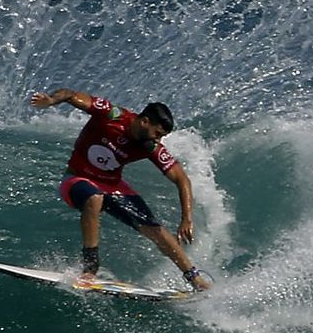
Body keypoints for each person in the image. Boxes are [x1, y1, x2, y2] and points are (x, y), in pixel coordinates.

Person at [30, 88, 211, 291]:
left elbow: (181, 179)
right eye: (157, 133)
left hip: (113, 186)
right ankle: (90, 268)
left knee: (156, 231)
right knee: (95, 197)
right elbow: (71, 95)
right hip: (76, 179)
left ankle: (194, 279)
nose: (158, 141)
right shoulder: (112, 114)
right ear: (144, 121)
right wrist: (50, 100)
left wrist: (186, 218)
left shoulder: (149, 146)